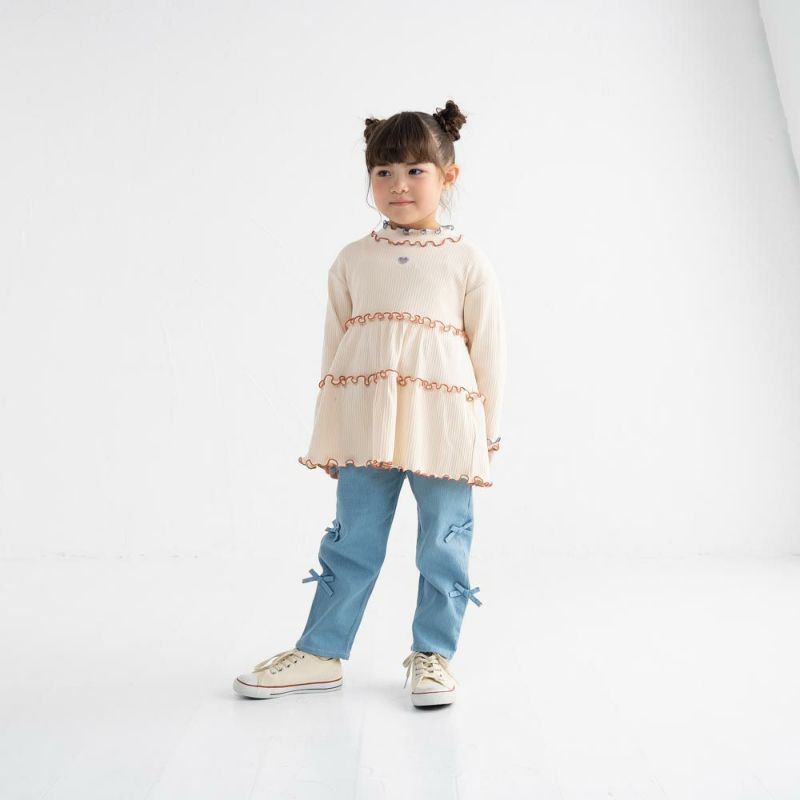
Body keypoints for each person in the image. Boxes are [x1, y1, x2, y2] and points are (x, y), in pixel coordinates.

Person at [233, 99, 507, 707]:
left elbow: (489, 352)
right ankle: (321, 652)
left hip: (445, 428)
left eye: (414, 170)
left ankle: (433, 654)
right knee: (351, 538)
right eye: (383, 172)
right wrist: (331, 432)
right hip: (365, 426)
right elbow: (335, 349)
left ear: (448, 176)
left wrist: (486, 433)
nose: (398, 184)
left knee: (443, 542)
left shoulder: (467, 261)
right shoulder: (353, 259)